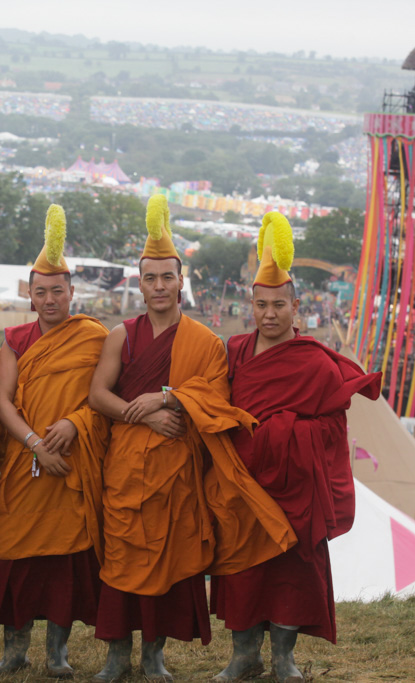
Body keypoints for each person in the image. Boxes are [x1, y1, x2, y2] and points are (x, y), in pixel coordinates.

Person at [87, 196, 295, 683]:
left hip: (177, 472)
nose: (159, 286)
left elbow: (216, 398)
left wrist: (168, 398)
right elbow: (98, 395)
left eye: (167, 277)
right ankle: (116, 656)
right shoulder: (121, 335)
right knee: (120, 558)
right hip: (126, 470)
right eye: (150, 278)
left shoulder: (205, 342)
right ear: (140, 283)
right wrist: (143, 416)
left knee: (169, 559)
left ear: (182, 281)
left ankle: (153, 656)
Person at [209, 212, 382, 683]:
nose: (269, 314)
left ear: (296, 306)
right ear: (251, 304)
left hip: (293, 484)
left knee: (292, 571)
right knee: (242, 568)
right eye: (261, 305)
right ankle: (243, 655)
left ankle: (284, 658)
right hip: (244, 482)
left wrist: (280, 433)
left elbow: (331, 429)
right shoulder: (236, 351)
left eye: (279, 305)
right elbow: (218, 405)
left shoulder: (314, 363)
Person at [0, 204, 109, 678]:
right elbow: (3, 402)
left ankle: (57, 654)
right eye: (40, 292)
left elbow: (105, 396)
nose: (49, 300)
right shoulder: (16, 339)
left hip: (71, 464)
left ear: (72, 292)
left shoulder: (93, 337)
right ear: (29, 295)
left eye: (57, 291)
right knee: (12, 554)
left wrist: (75, 423)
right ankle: (14, 651)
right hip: (25, 464)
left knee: (65, 562)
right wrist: (35, 444)